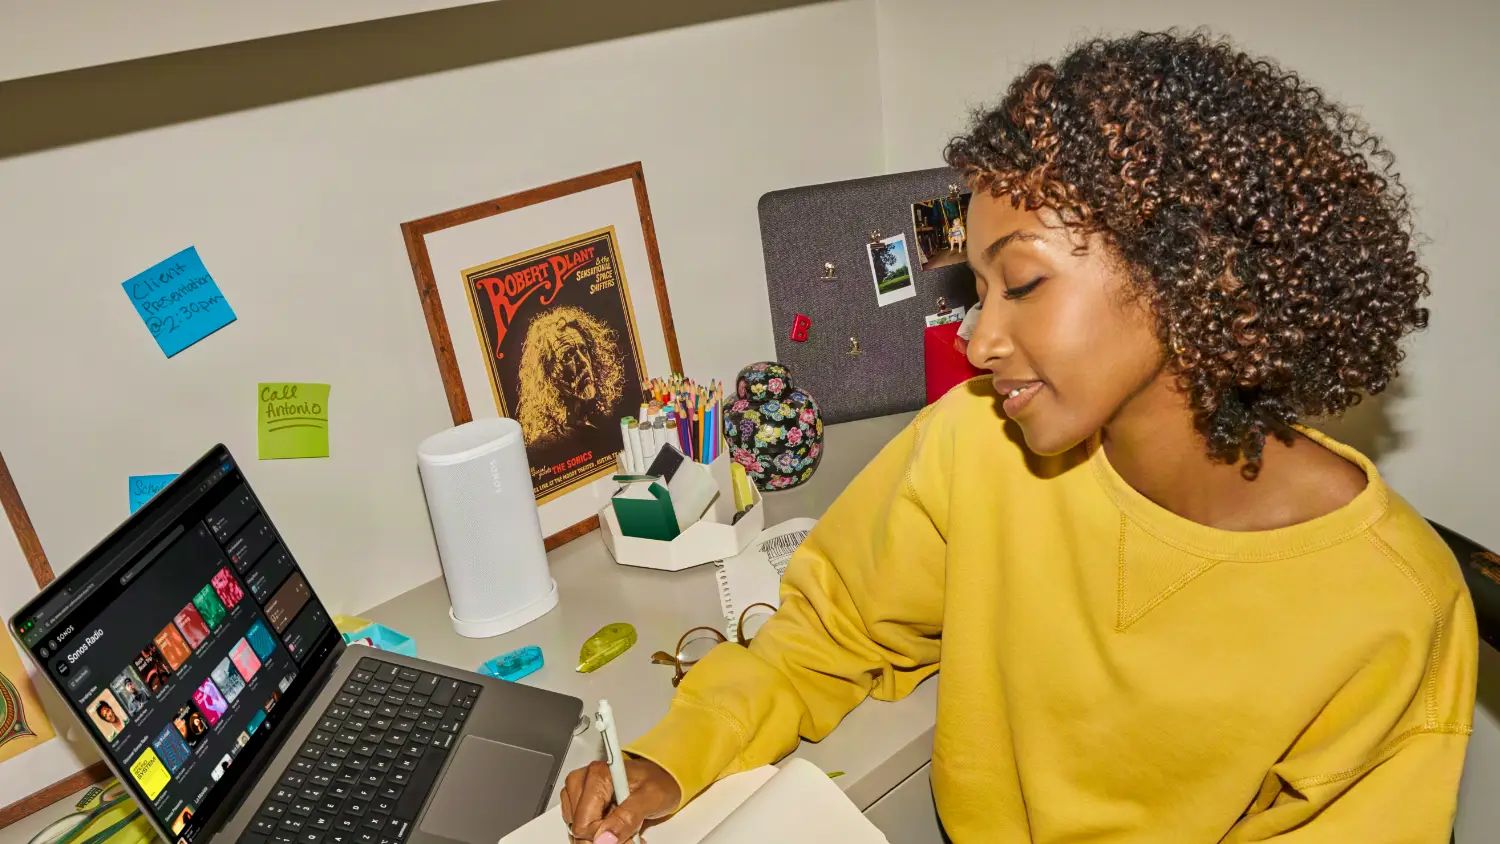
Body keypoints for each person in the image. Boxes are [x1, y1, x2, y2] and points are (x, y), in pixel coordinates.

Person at [561, 29, 1477, 843]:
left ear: (1194, 272)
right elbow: (831, 631)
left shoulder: (1394, 611)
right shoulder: (977, 442)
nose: (977, 339)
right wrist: (677, 754)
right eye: (977, 290)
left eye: (1024, 285)